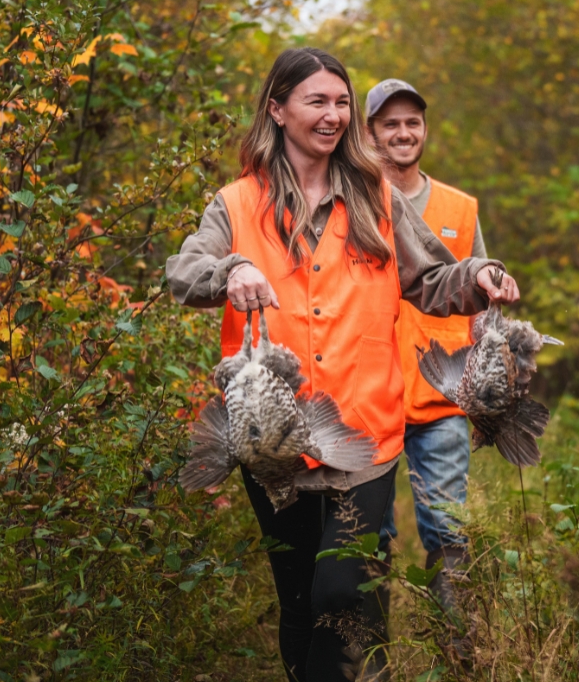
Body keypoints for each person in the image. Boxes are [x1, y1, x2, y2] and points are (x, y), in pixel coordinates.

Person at [166, 48, 520, 682]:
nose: (333, 116)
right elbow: (184, 273)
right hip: (270, 438)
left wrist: (480, 275)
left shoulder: (374, 195)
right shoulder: (237, 203)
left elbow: (434, 278)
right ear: (277, 109)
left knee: (339, 591)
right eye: (316, 102)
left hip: (364, 432)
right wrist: (232, 268)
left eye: (341, 103)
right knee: (300, 600)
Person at [364, 78, 486, 608]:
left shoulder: (461, 207)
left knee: (448, 532)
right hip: (371, 398)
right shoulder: (356, 203)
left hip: (443, 400)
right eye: (390, 124)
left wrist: (485, 389)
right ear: (368, 135)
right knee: (370, 537)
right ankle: (370, 652)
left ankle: (457, 647)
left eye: (412, 122)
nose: (403, 133)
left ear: (425, 130)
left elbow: (479, 300)